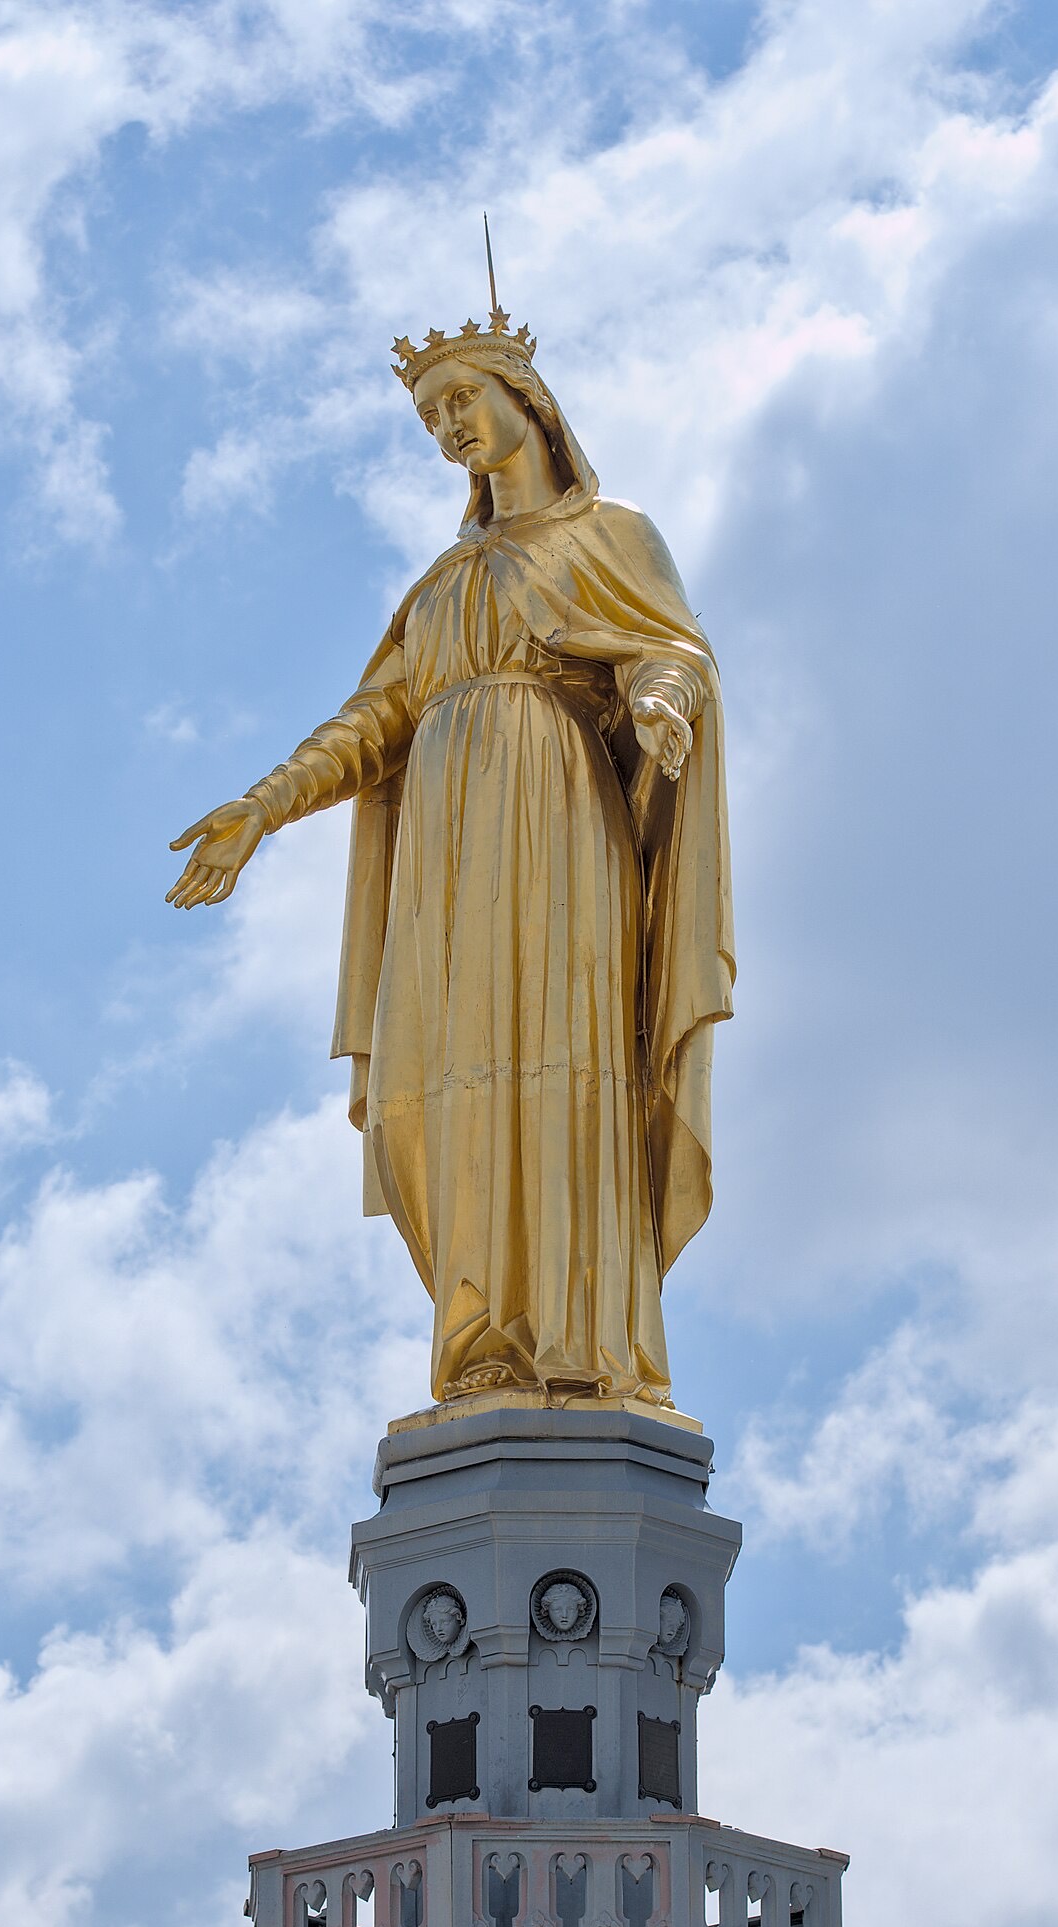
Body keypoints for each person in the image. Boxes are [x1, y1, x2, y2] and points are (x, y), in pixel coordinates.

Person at [168, 309, 733, 1407]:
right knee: (452, 1078)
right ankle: (483, 1346)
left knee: (564, 1055)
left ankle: (585, 1342)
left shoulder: (611, 535)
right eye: (431, 418)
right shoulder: (438, 588)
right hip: (443, 846)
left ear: (529, 401)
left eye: (463, 401)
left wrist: (661, 701)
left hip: (561, 819)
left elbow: (669, 647)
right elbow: (370, 722)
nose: (448, 428)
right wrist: (261, 807)